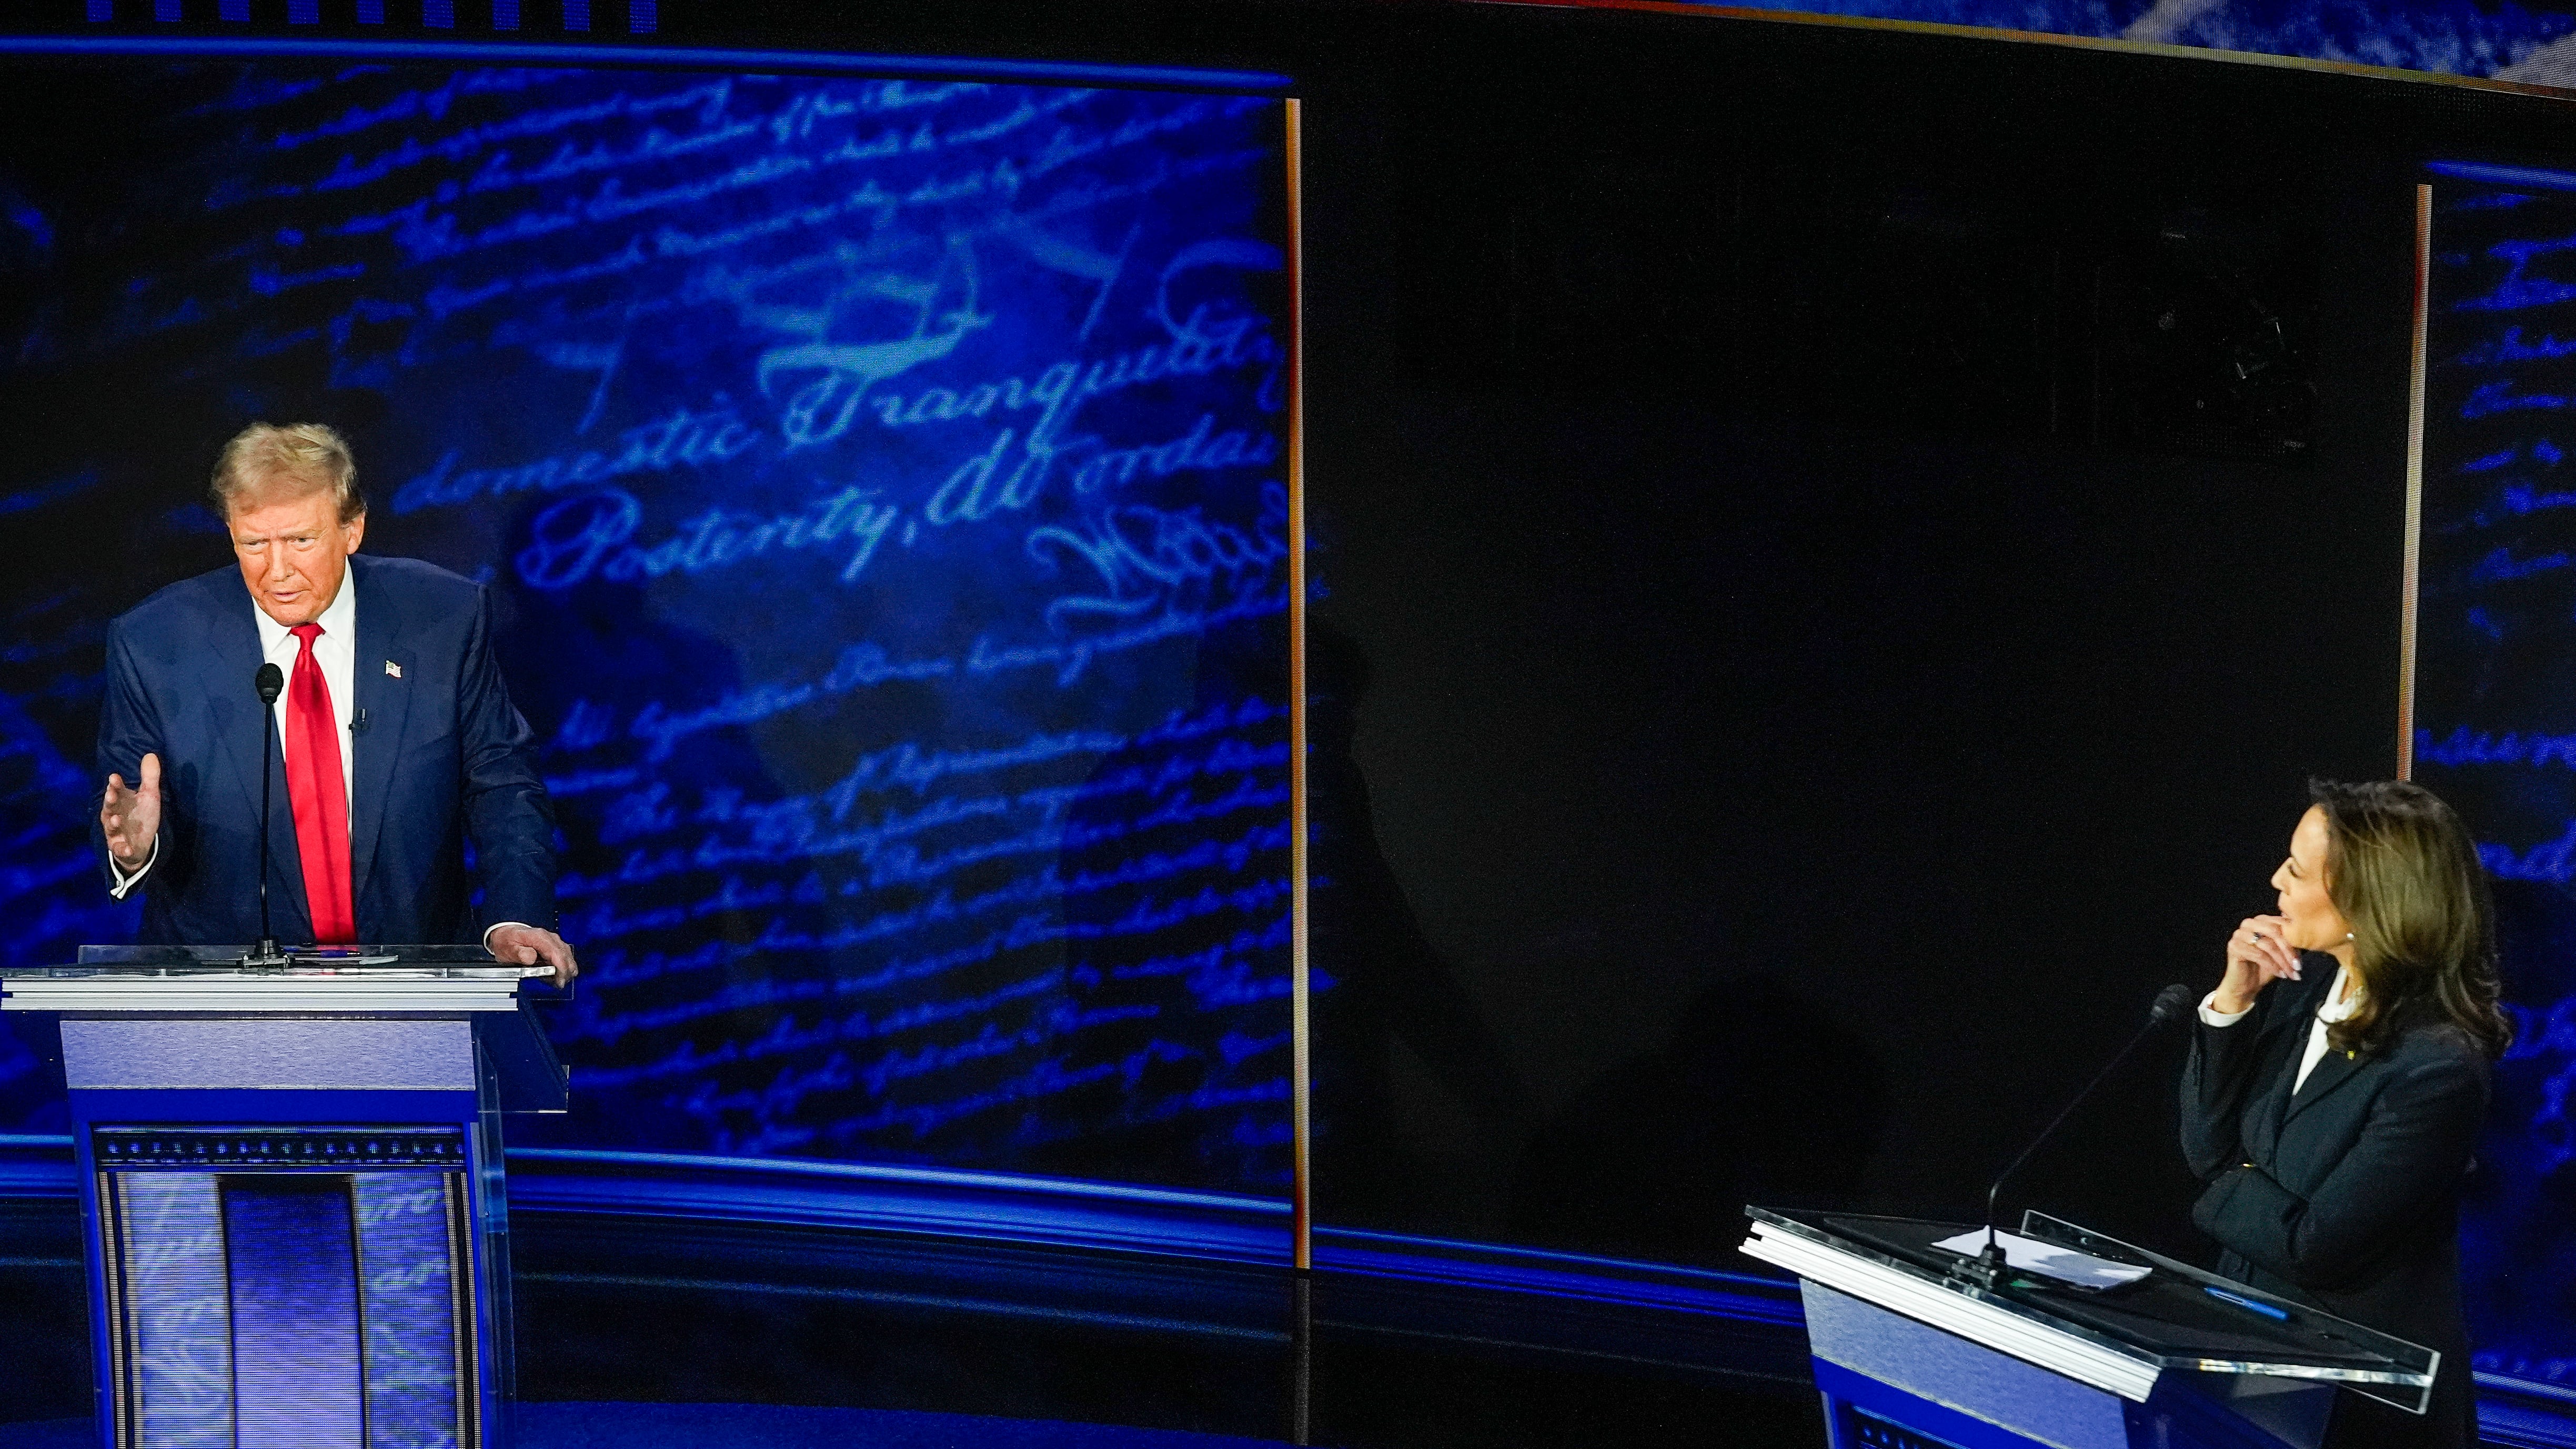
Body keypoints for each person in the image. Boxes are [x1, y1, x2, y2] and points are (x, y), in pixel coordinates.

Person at [92, 422, 577, 983]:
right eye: (254, 543)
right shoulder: (154, 641)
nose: (277, 572)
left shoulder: (442, 618)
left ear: (352, 529)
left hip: (414, 983)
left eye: (300, 540)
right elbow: (127, 802)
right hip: (223, 996)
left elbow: (502, 781)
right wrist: (136, 849)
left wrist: (516, 917)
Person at [2184, 779, 2512, 1449]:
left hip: (2357, 1410)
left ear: (2369, 898)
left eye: (2298, 870)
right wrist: (2232, 1001)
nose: (2276, 880)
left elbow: (2314, 1247)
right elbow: (2205, 1144)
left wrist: (2218, 1178)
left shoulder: (2437, 1067)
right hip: (2248, 1378)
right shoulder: (2303, 993)